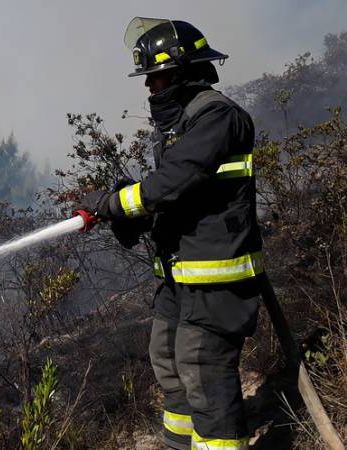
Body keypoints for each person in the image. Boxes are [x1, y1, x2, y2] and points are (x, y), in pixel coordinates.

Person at [79, 17, 262, 450]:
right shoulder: (185, 129)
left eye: (155, 79)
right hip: (180, 278)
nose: (150, 90)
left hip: (215, 280)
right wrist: (127, 212)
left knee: (203, 371)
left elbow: (174, 183)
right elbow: (176, 197)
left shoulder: (218, 117)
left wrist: (110, 204)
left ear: (180, 73)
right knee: (168, 361)